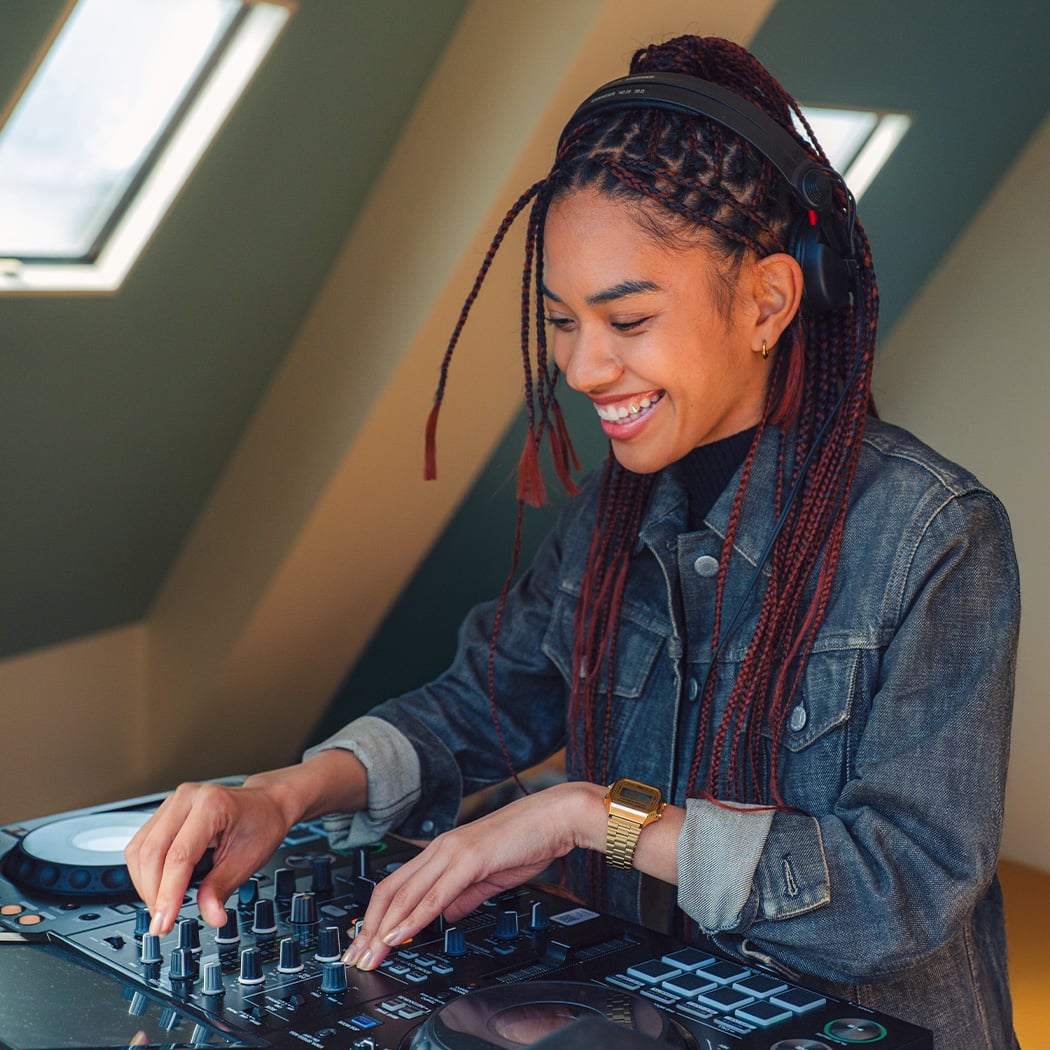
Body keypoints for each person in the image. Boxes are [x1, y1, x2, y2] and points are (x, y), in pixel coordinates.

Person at [125, 35, 1019, 1048]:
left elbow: (898, 894)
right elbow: (479, 704)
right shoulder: (615, 512)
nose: (586, 369)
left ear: (768, 301)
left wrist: (593, 817)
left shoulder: (935, 535)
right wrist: (283, 794)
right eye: (560, 322)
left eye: (628, 320)